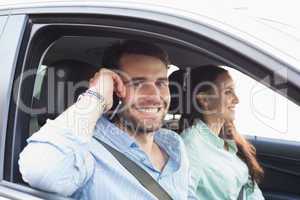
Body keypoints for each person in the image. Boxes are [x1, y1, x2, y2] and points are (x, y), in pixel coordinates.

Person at [19, 40, 196, 200]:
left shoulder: (174, 143)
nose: (154, 96)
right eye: (137, 83)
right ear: (115, 90)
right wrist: (96, 96)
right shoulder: (86, 149)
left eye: (161, 83)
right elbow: (40, 171)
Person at [170, 65, 264, 200]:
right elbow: (182, 196)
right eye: (228, 92)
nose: (237, 100)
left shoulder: (227, 138)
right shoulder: (191, 144)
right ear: (204, 100)